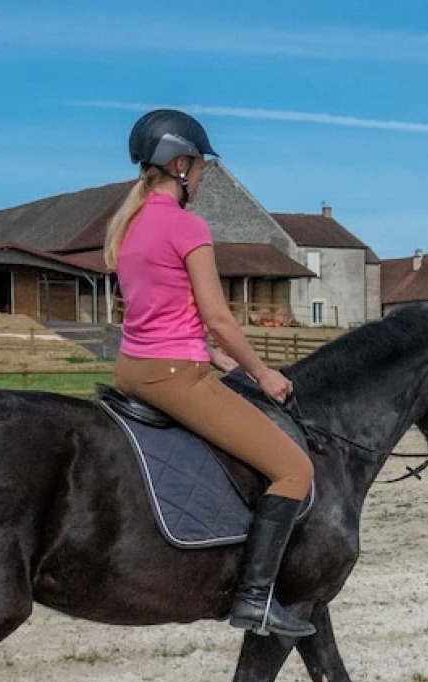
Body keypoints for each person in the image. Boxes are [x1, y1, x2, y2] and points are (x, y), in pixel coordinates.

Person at [104, 109, 316, 637]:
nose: (201, 178)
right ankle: (254, 598)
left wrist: (212, 356)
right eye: (199, 168)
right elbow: (219, 316)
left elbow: (158, 308)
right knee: (295, 471)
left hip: (133, 366)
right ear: (179, 165)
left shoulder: (127, 226)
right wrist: (261, 371)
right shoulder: (186, 225)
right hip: (174, 375)